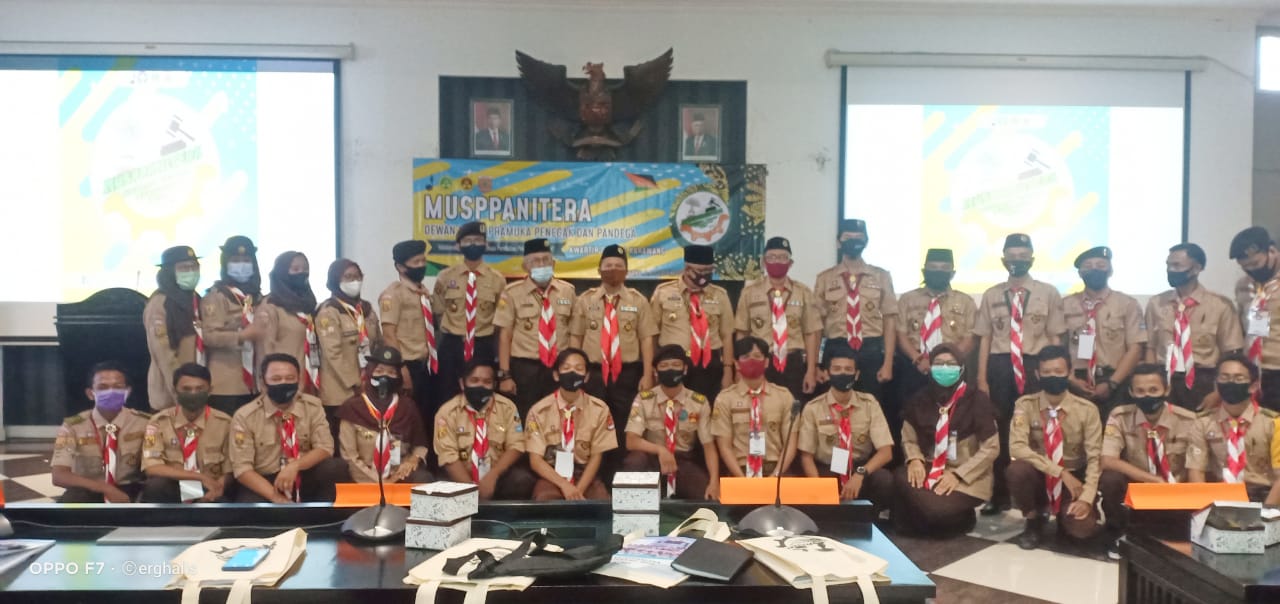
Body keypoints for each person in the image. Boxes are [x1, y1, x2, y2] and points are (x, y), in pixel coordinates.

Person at [974, 233, 1066, 514]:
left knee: (1040, 429)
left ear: (1032, 259)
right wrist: (981, 378)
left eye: (1023, 257)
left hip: (1036, 365)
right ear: (1003, 260)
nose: (1017, 261)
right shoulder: (991, 294)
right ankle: (999, 495)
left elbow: (1055, 336)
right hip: (1000, 367)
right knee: (1000, 431)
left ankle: (1044, 496)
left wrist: (1056, 372)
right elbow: (985, 338)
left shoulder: (1048, 293)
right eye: (1012, 257)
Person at [894, 344, 999, 538]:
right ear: (930, 367)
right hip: (930, 467)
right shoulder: (920, 399)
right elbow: (909, 438)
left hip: (967, 475)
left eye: (951, 364)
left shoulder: (977, 399)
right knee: (901, 476)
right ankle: (936, 520)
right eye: (939, 363)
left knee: (934, 510)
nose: (944, 368)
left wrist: (958, 475)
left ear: (961, 368)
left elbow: (991, 448)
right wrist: (914, 459)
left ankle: (948, 517)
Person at [1006, 345, 1103, 550]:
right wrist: (1060, 472)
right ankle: (1033, 519)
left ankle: (1064, 518)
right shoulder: (1025, 405)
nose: (1053, 377)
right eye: (1047, 372)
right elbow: (1017, 447)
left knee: (1081, 530)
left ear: (1069, 372)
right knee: (1017, 470)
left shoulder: (1087, 410)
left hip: (1073, 481)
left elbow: (1095, 459)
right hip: (1040, 476)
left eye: (1059, 371)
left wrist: (1086, 499)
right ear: (1037, 374)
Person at [1097, 363, 1197, 559]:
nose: (1147, 396)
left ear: (1166, 389)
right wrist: (1152, 479)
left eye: (1153, 390)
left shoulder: (1188, 420)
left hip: (1176, 488)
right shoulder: (1120, 416)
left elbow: (1197, 465)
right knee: (1110, 479)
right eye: (1140, 391)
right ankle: (1118, 533)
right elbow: (1107, 460)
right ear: (1131, 392)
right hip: (1138, 487)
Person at [569, 244, 657, 456]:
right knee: (591, 421)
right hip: (593, 373)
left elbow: (646, 339)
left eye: (618, 266)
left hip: (627, 374)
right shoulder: (585, 300)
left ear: (627, 271)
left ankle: (619, 467)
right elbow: (576, 337)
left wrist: (647, 375)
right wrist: (574, 372)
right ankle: (593, 467)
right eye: (608, 265)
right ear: (599, 270)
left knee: (623, 422)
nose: (613, 270)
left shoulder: (638, 301)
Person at [230, 353, 350, 502]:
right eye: (276, 379)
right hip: (266, 481)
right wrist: (276, 497)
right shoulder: (245, 416)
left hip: (303, 472)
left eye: (289, 378)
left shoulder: (312, 406)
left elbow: (325, 448)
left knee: (335, 468)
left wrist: (295, 465)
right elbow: (242, 469)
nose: (283, 383)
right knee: (249, 506)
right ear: (263, 382)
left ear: (299, 380)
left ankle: (322, 516)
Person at [814, 219, 899, 421]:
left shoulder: (881, 276)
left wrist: (887, 362)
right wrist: (816, 364)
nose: (853, 242)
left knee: (871, 407)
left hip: (870, 350)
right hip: (836, 347)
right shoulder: (825, 278)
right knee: (834, 407)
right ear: (838, 242)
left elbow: (890, 320)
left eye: (858, 238)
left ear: (866, 242)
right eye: (848, 238)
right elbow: (816, 325)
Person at [1144, 243, 1243, 410]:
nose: (1171, 270)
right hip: (1165, 377)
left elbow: (1230, 352)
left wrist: (1219, 392)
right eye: (1168, 265)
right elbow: (1150, 348)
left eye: (1177, 265)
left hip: (1204, 379)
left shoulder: (1220, 305)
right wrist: (1151, 382)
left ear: (1196, 268)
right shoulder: (1156, 303)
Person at [795, 342, 894, 508]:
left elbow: (886, 452)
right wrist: (818, 488)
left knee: (884, 480)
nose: (843, 373)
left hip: (860, 469)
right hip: (827, 470)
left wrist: (859, 474)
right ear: (827, 373)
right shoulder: (813, 408)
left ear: (856, 374)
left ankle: (872, 520)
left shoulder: (869, 404)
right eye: (837, 369)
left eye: (848, 370)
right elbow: (806, 456)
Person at [622, 345, 720, 500]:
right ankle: (632, 507)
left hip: (682, 460)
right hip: (652, 459)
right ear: (655, 372)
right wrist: (661, 450)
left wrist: (714, 481)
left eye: (676, 365)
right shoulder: (644, 399)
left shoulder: (698, 402)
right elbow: (631, 441)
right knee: (635, 461)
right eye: (664, 366)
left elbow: (708, 446)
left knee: (706, 498)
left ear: (685, 369)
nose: (670, 369)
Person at [434, 359, 537, 500]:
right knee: (438, 486)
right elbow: (447, 455)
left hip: (497, 475)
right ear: (462, 383)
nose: (480, 386)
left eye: (487, 382)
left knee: (522, 480)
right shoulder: (447, 412)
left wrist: (493, 476)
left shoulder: (507, 407)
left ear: (494, 385)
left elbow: (516, 445)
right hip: (461, 478)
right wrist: (470, 489)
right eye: (474, 380)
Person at [734, 236, 822, 402]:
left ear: (791, 263)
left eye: (783, 257)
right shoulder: (749, 293)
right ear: (763, 262)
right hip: (759, 361)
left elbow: (811, 333)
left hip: (793, 363)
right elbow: (742, 333)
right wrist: (739, 369)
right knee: (758, 407)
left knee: (793, 409)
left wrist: (811, 370)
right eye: (772, 257)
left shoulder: (803, 292)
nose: (777, 262)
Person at [496, 238, 577, 416]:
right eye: (535, 261)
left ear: (553, 264)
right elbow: (505, 336)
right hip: (525, 369)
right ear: (525, 266)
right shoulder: (512, 293)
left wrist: (573, 368)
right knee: (527, 416)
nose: (541, 265)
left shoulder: (567, 291)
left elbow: (574, 333)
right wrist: (505, 375)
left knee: (559, 415)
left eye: (546, 260)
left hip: (559, 367)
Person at [1186, 353, 1280, 505]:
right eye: (1224, 378)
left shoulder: (1273, 423)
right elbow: (1196, 470)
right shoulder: (1203, 422)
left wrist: (1266, 511)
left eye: (1238, 378)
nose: (1231, 383)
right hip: (1219, 498)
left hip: (1262, 498)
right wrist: (1204, 508)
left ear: (1253, 386)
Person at [52, 361, 151, 503]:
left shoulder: (144, 422)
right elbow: (59, 476)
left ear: (127, 392)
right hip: (90, 487)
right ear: (90, 394)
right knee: (73, 499)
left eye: (118, 387)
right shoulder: (73, 427)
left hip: (131, 486)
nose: (111, 392)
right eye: (102, 387)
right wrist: (105, 488)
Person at [525, 348, 617, 500]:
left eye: (579, 368)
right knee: (545, 501)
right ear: (556, 375)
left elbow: (596, 457)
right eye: (566, 368)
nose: (572, 373)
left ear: (586, 377)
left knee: (600, 504)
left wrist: (578, 490)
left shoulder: (599, 409)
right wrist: (564, 485)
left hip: (585, 473)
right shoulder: (539, 410)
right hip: (552, 474)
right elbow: (535, 460)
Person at [1063, 246, 1146, 411]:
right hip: (1077, 380)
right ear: (1080, 273)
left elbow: (1135, 348)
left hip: (1116, 379)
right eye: (1088, 266)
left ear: (1110, 271)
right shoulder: (1065, 305)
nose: (1094, 270)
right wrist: (1071, 379)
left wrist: (1113, 383)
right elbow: (1058, 346)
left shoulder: (1127, 304)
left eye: (1100, 265)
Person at [433, 221, 506, 405]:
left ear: (485, 244)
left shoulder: (497, 280)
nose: (473, 244)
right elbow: (439, 312)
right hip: (452, 346)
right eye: (468, 241)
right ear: (458, 245)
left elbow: (500, 318)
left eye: (478, 240)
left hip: (482, 345)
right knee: (447, 395)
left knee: (481, 396)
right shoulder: (445, 277)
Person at [651, 244, 735, 402]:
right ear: (686, 268)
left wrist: (728, 370)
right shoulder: (663, 292)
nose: (704, 275)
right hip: (673, 363)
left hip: (709, 364)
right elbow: (652, 334)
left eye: (708, 270)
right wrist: (652, 368)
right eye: (699, 271)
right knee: (672, 407)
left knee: (707, 407)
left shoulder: (720, 295)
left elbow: (727, 335)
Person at [139, 363, 234, 502]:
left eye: (199, 389)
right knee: (155, 486)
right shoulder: (159, 421)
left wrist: (217, 489)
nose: (193, 394)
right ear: (175, 391)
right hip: (174, 485)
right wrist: (198, 477)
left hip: (209, 487)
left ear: (210, 390)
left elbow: (230, 469)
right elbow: (152, 467)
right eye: (186, 389)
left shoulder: (225, 423)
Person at [336, 346, 431, 484]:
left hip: (398, 475)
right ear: (370, 373)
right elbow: (349, 457)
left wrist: (413, 460)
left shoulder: (407, 406)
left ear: (398, 377)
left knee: (423, 478)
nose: (384, 377)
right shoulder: (352, 407)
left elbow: (420, 444)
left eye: (391, 372)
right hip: (362, 478)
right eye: (379, 371)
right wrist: (381, 483)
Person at [894, 248, 977, 399]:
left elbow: (969, 338)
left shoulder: (965, 301)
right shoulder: (908, 299)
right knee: (913, 408)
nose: (938, 272)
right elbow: (901, 334)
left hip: (952, 367)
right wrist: (918, 359)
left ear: (952, 273)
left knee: (954, 409)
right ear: (924, 271)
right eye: (933, 268)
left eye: (944, 268)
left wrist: (947, 362)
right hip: (915, 365)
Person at [711, 337, 796, 479]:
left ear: (766, 362)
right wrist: (742, 480)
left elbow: (790, 444)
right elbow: (724, 447)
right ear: (736, 364)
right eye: (746, 357)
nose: (752, 361)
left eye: (757, 356)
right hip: (740, 471)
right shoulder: (725, 399)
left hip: (776, 470)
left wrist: (775, 476)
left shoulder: (784, 396)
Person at [199, 236, 262, 416]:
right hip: (226, 384)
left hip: (256, 383)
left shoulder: (257, 297)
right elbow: (209, 336)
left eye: (246, 260)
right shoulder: (216, 297)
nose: (241, 265)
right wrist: (242, 336)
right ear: (225, 263)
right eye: (235, 260)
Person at [318, 258, 382, 436]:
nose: (354, 281)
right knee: (342, 437)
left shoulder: (366, 310)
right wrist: (355, 383)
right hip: (340, 390)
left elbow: (378, 343)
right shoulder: (328, 311)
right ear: (335, 280)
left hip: (369, 386)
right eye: (348, 277)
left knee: (366, 437)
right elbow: (333, 354)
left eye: (357, 276)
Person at [379, 240, 437, 421]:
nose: (421, 266)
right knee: (408, 418)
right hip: (407, 365)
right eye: (416, 262)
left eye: (423, 261)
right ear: (400, 267)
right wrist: (401, 369)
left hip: (426, 365)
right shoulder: (393, 295)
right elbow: (389, 334)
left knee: (426, 416)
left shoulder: (423, 293)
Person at [144, 245, 203, 410]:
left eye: (194, 267)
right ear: (169, 272)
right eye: (184, 268)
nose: (191, 272)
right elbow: (163, 354)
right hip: (170, 395)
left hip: (197, 389)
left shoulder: (195, 298)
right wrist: (181, 392)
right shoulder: (160, 303)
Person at [254, 252, 320, 394]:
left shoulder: (308, 304)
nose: (302, 273)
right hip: (283, 386)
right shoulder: (270, 306)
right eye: (295, 269)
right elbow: (264, 352)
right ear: (282, 273)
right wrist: (269, 388)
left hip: (310, 384)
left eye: (305, 269)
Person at [1230, 226, 1280, 410]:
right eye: (1245, 267)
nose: (1251, 270)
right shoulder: (1244, 286)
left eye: (1255, 263)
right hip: (1252, 370)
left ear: (1272, 251)